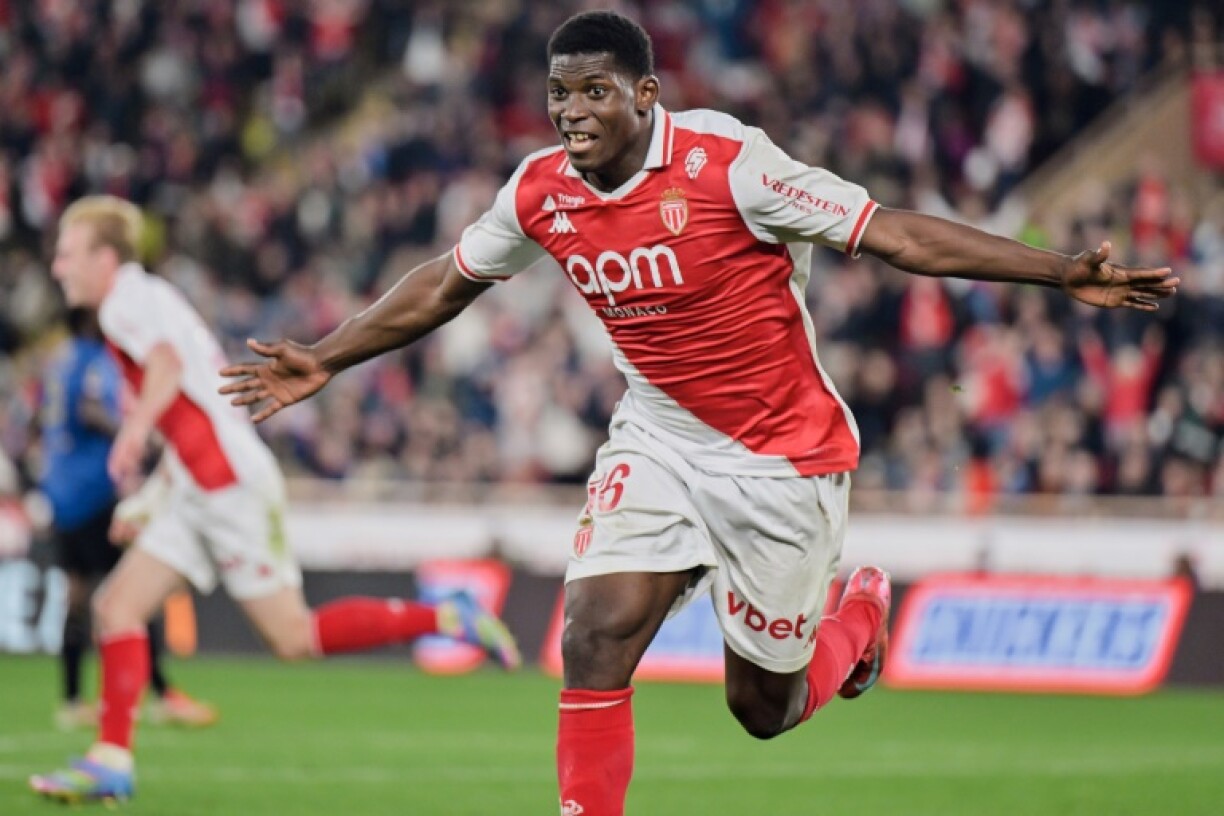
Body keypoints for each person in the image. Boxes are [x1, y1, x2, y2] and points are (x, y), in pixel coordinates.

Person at [219, 12, 1177, 815]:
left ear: (646, 94)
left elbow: (895, 236)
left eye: (594, 91)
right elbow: (445, 284)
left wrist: (1057, 271)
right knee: (592, 633)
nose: (571, 112)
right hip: (662, 437)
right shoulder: (540, 191)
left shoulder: (732, 165)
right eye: (559, 94)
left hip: (782, 458)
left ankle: (862, 619)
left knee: (762, 707)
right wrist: (328, 356)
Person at [31, 196, 522, 805]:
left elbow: (165, 366)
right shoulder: (142, 296)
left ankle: (447, 614)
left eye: (68, 254)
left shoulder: (125, 301)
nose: (58, 267)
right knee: (118, 607)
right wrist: (155, 494)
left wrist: (133, 435)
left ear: (105, 258)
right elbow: (194, 401)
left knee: (294, 639)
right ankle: (111, 761)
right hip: (197, 482)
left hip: (228, 485)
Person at [39, 307, 218, 732]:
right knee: (137, 586)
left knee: (78, 593)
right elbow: (88, 409)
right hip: (94, 488)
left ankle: (70, 699)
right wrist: (134, 433)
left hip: (62, 488)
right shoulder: (92, 359)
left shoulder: (60, 357)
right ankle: (160, 692)